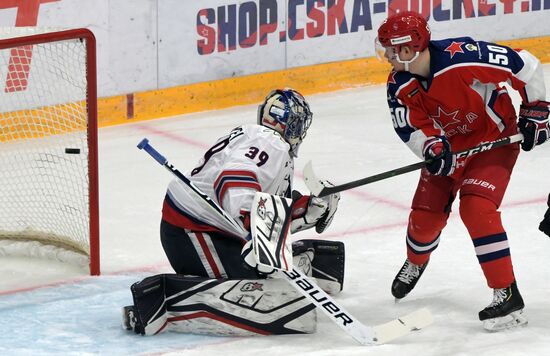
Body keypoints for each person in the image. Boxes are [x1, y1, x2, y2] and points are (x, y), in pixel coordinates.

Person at [375, 11, 549, 331]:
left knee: (477, 208)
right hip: (448, 152)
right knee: (425, 221)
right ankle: (416, 262)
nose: (386, 56)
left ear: (409, 49)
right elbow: (412, 126)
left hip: (492, 142)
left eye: (391, 49)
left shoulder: (462, 57)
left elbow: (525, 64)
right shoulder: (398, 83)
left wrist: (536, 108)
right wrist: (431, 148)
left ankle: (506, 292)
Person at [123, 88, 344, 336]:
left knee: (264, 268)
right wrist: (253, 230)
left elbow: (268, 210)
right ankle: (161, 302)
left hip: (211, 227)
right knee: (255, 284)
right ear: (291, 125)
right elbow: (234, 178)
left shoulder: (262, 140)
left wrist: (308, 209)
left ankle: (299, 259)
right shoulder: (270, 142)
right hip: (192, 229)